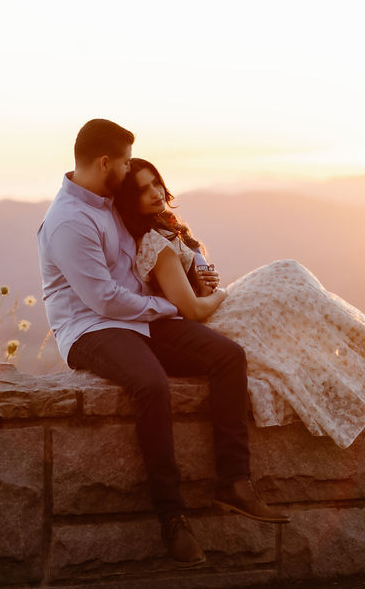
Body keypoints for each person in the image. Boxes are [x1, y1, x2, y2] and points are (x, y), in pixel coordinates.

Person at [37, 119, 288, 569]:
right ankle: (172, 516)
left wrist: (194, 275)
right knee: (152, 385)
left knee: (227, 356)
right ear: (104, 162)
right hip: (91, 329)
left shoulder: (109, 201)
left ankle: (235, 481)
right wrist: (176, 307)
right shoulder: (68, 222)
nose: (132, 169)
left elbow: (149, 250)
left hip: (140, 314)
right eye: (127, 161)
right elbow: (105, 301)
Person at [114, 158, 365, 450]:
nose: (156, 192)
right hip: (209, 324)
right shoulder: (155, 244)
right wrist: (219, 294)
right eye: (144, 190)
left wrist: (204, 284)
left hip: (213, 305)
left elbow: (192, 291)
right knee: (287, 281)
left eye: (156, 182)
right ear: (131, 202)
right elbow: (193, 311)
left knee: (288, 275)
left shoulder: (166, 226)